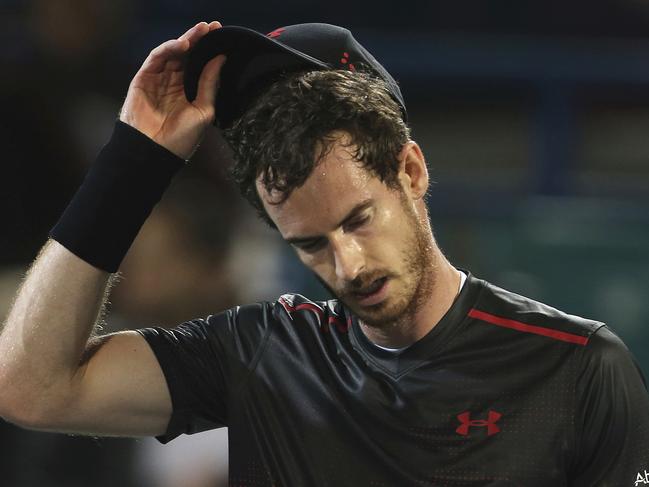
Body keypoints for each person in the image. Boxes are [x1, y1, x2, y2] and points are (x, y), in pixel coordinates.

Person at [1, 20, 648, 487]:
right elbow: (30, 386)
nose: (348, 265)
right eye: (309, 242)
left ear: (412, 170)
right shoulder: (260, 351)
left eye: (359, 220)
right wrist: (132, 163)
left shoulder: (579, 370)